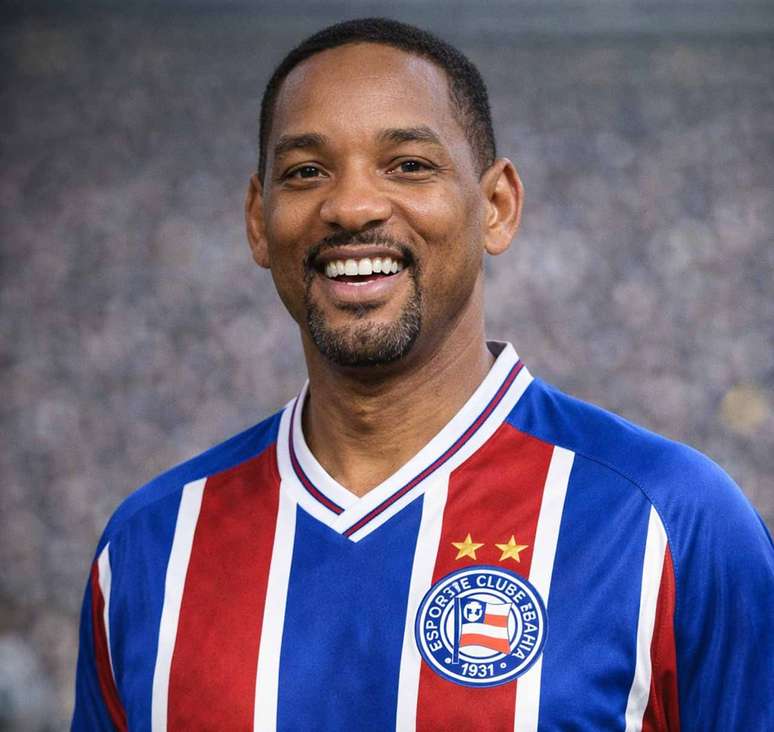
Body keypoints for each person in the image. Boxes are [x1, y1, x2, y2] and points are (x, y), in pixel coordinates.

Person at [72, 17, 773, 731]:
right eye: (307, 171)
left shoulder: (672, 523)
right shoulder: (148, 550)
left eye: (408, 164)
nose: (352, 207)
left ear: (496, 207)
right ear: (259, 219)